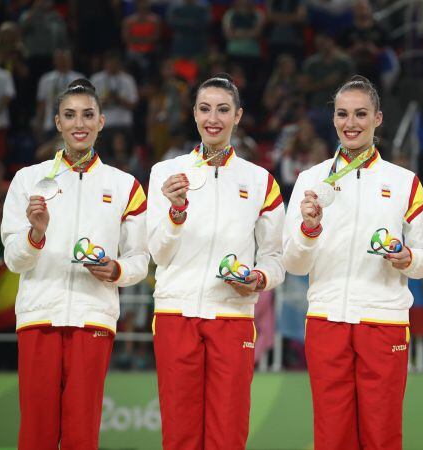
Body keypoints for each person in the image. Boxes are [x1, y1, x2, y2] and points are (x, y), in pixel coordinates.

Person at [283, 75, 423, 450]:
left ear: (378, 119)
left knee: (382, 435)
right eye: (343, 114)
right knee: (332, 436)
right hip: (326, 320)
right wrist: (309, 228)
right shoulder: (310, 180)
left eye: (361, 114)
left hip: (383, 320)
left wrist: (407, 258)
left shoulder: (404, 182)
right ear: (333, 119)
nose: (351, 123)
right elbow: (293, 263)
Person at [1, 78, 149, 449]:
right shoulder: (28, 180)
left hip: (93, 317)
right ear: (57, 122)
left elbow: (140, 260)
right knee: (35, 433)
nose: (79, 124)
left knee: (82, 434)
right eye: (70, 115)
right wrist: (35, 235)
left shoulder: (124, 185)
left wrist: (116, 270)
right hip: (39, 316)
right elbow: (13, 258)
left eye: (87, 115)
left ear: (101, 121)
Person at [147, 73, 285, 449]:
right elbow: (157, 253)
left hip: (232, 316)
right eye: (205, 109)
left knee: (228, 433)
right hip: (177, 314)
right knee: (180, 434)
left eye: (223, 110)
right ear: (193, 114)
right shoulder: (166, 174)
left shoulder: (260, 181)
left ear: (238, 116)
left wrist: (257, 279)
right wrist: (176, 213)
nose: (214, 118)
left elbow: (276, 258)